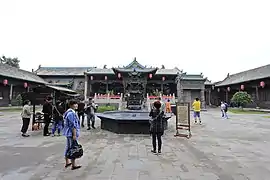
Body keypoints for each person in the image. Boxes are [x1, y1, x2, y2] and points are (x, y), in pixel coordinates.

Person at [63, 100, 81, 170]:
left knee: (68, 147)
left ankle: (67, 162)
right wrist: (74, 134)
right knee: (73, 148)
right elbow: (72, 125)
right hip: (71, 133)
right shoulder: (71, 114)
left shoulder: (69, 112)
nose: (76, 105)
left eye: (76, 104)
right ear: (71, 105)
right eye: (74, 104)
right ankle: (73, 165)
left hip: (68, 133)